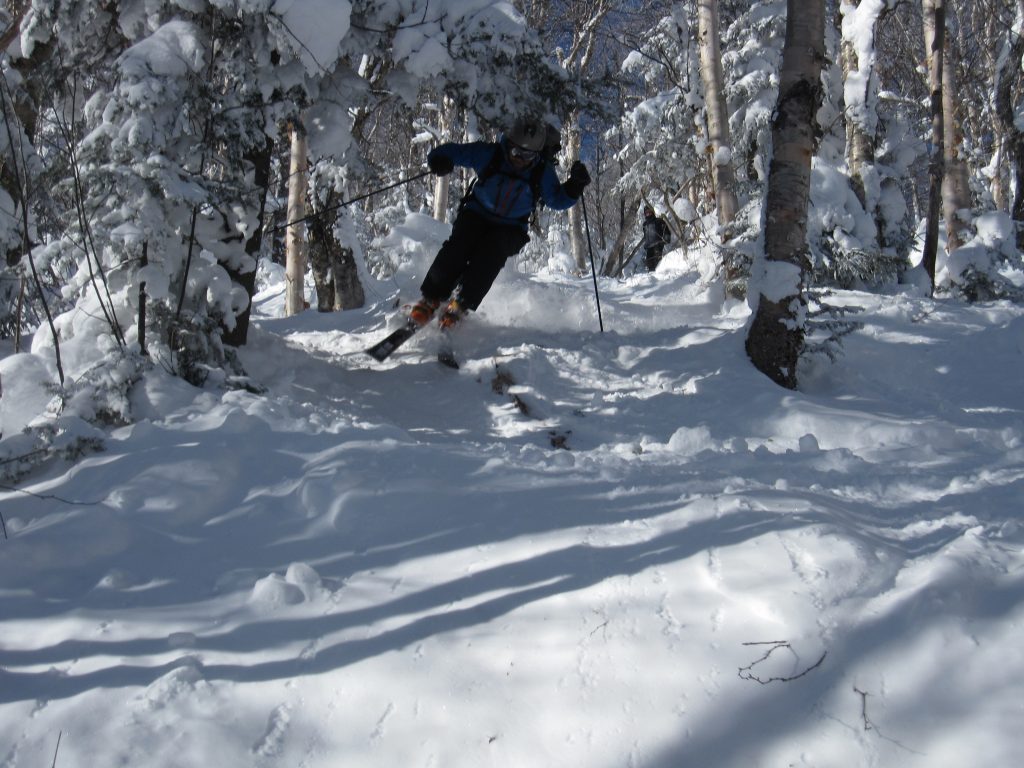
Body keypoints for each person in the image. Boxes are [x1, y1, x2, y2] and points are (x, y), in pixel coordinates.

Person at [409, 118, 591, 329]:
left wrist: (575, 186)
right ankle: (430, 299)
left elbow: (557, 200)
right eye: (516, 153)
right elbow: (454, 152)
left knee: (490, 259)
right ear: (508, 145)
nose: (521, 159)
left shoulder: (541, 172)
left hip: (511, 228)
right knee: (457, 249)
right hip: (476, 214)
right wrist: (439, 159)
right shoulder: (491, 154)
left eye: (528, 155)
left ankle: (459, 306)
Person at [641, 205, 671, 272]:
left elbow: (666, 231)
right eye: (646, 212)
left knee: (658, 263)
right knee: (649, 264)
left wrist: (667, 238)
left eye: (649, 212)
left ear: (652, 212)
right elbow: (645, 235)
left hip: (658, 244)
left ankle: (660, 275)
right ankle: (652, 279)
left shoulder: (659, 221)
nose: (648, 213)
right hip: (649, 246)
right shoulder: (645, 224)